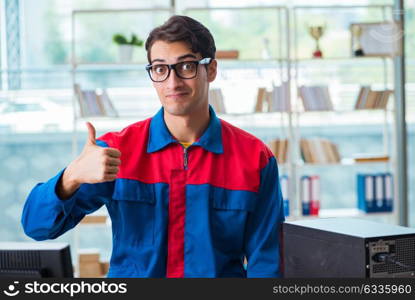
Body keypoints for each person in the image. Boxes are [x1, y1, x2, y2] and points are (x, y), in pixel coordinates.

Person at [21, 15, 285, 278]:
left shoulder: (255, 159)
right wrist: (72, 176)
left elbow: (267, 263)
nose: (173, 82)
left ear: (211, 69)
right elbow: (36, 227)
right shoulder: (116, 152)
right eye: (160, 69)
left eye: (186, 66)